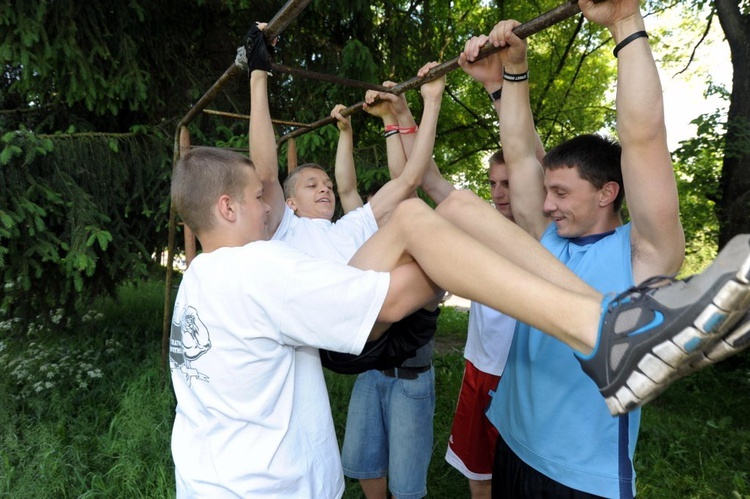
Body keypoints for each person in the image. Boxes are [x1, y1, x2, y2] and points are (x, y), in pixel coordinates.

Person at [457, 0, 750, 497]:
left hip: (580, 477)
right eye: (547, 192)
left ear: (607, 192)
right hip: (512, 443)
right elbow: (520, 152)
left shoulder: (643, 256)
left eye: (561, 194)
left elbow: (643, 138)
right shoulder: (546, 239)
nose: (545, 205)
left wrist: (624, 22)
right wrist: (510, 74)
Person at [331, 91, 440, 499]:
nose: (383, 210)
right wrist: (349, 131)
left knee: (407, 485)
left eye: (391, 204)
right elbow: (346, 190)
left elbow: (408, 180)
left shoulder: (421, 248)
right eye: (378, 204)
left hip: (411, 378)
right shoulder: (367, 242)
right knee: (362, 463)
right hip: (370, 375)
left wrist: (394, 120)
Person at [444, 151, 516, 499]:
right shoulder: (482, 227)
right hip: (479, 366)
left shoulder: (546, 234)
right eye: (493, 183)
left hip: (520, 375)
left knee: (519, 476)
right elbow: (429, 181)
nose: (498, 192)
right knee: (477, 472)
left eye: (508, 183)